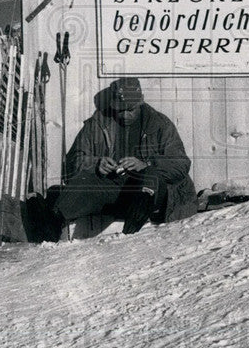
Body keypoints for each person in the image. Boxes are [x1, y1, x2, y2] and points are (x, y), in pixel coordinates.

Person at [42, 77, 197, 240]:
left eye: (130, 109)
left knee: (150, 179)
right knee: (80, 184)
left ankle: (129, 236)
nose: (124, 115)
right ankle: (50, 230)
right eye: (120, 110)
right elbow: (73, 161)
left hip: (148, 194)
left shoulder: (160, 124)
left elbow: (181, 163)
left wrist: (146, 164)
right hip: (113, 189)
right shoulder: (98, 123)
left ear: (141, 101)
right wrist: (96, 164)